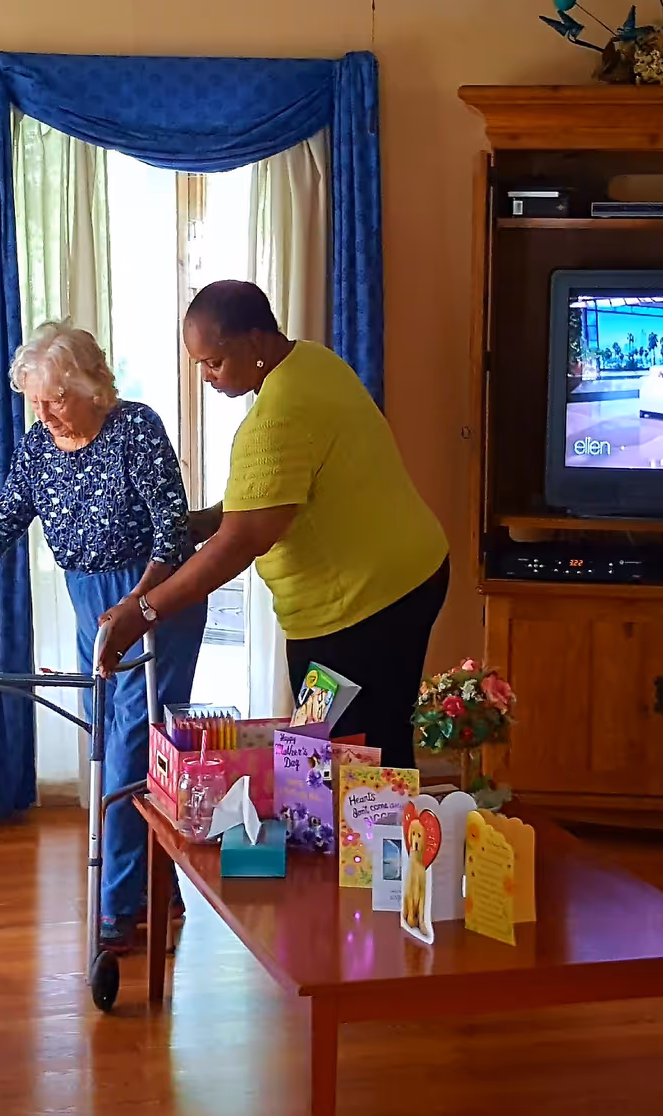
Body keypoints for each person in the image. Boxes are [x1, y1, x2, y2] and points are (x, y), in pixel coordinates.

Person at [0, 321, 205, 951]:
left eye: (57, 398)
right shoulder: (38, 447)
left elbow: (173, 535)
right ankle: (163, 886)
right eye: (35, 401)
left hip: (155, 597)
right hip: (88, 601)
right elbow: (2, 523)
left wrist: (136, 606)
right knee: (106, 736)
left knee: (128, 747)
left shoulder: (135, 429)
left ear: (93, 386)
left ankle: (117, 907)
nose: (45, 413)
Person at [95, 280, 449, 769]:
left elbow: (241, 543)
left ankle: (377, 842)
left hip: (363, 608)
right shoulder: (314, 361)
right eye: (199, 365)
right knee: (372, 741)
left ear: (255, 342)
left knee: (341, 763)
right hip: (411, 575)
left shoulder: (276, 418)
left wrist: (145, 611)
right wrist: (209, 519)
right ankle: (389, 839)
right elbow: (289, 488)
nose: (206, 377)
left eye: (214, 362)